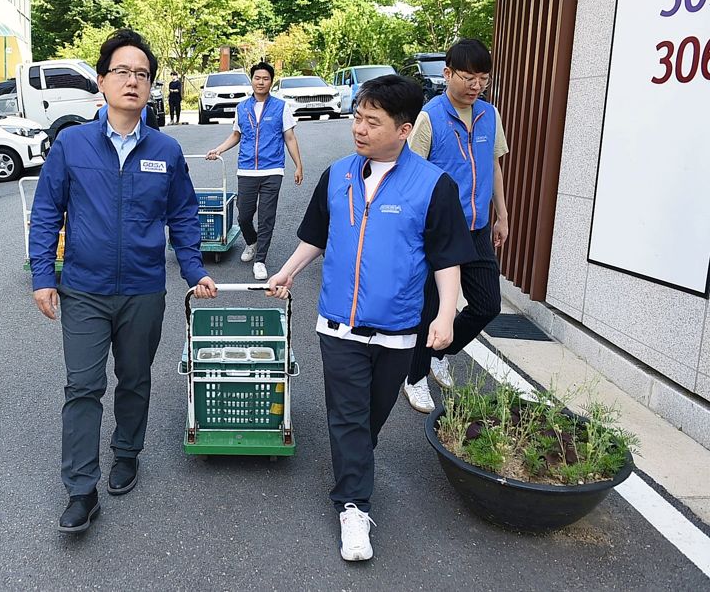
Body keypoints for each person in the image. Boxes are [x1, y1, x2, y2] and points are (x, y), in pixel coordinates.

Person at [266, 75, 475, 561]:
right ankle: (353, 507)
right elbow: (316, 237)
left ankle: (353, 467)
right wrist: (287, 272)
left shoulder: (432, 185)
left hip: (399, 330)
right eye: (357, 117)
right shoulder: (337, 174)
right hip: (337, 324)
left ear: (404, 130)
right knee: (348, 417)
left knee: (369, 420)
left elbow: (447, 258)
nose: (358, 128)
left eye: (372, 121)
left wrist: (445, 316)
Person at [29, 29, 217, 535]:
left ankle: (127, 452)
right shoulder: (71, 144)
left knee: (134, 378)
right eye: (122, 71)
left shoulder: (166, 150)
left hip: (143, 289)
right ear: (102, 81)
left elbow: (183, 213)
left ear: (151, 86)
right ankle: (80, 489)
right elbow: (47, 212)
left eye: (142, 74)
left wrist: (195, 269)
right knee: (83, 385)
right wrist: (43, 274)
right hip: (84, 290)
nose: (132, 81)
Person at [402, 38, 510, 413]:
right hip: (441, 230)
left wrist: (502, 214)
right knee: (431, 308)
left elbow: (494, 164)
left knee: (487, 304)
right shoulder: (430, 116)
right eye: (468, 77)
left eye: (483, 78)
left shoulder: (489, 115)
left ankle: (440, 353)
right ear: (448, 74)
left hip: (479, 226)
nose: (476, 85)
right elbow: (410, 173)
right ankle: (414, 378)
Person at [206, 62, 303, 281]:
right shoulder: (242, 108)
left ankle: (260, 260)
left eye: (265, 78)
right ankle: (252, 242)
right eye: (257, 78)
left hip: (273, 169)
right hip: (247, 169)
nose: (261, 82)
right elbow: (236, 135)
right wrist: (218, 149)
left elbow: (290, 137)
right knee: (244, 216)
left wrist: (298, 165)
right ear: (252, 80)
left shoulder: (281, 107)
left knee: (266, 218)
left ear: (271, 81)